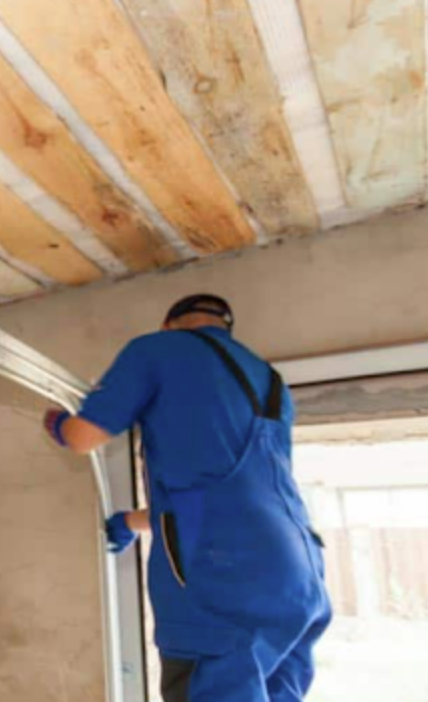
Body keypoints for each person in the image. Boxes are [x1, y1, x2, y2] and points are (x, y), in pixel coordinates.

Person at [41, 294, 331, 702]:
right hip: (299, 578)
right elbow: (230, 491)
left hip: (224, 584)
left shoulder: (155, 350)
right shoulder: (271, 381)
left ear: (167, 324)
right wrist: (131, 522)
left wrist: (57, 423)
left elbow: (82, 437)